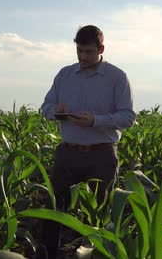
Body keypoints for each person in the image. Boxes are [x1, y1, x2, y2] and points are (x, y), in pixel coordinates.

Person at [39, 25, 136, 258]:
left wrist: (95, 121)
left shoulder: (116, 77)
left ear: (101, 49)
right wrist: (56, 113)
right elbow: (45, 107)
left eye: (88, 52)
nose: (83, 57)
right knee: (54, 211)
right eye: (79, 51)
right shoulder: (64, 75)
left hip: (101, 156)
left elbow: (128, 117)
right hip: (68, 154)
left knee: (102, 215)